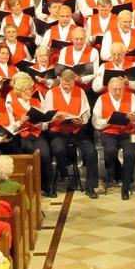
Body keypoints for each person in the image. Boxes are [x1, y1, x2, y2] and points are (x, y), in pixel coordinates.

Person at [46, 69, 99, 199]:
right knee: (58, 149)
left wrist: (82, 120)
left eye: (70, 84)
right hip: (58, 131)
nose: (68, 87)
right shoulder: (51, 93)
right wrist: (58, 116)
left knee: (92, 152)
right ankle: (64, 174)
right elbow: (47, 116)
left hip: (76, 130)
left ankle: (90, 187)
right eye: (65, 84)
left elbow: (86, 111)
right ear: (60, 80)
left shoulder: (80, 92)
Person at [6, 73, 54, 196]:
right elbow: (10, 126)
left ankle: (48, 186)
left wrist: (42, 125)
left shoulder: (36, 101)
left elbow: (45, 121)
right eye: (25, 90)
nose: (28, 91)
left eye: (29, 89)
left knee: (45, 155)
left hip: (37, 134)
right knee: (31, 155)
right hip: (22, 137)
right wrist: (20, 121)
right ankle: (32, 187)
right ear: (19, 91)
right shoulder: (11, 105)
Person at [92, 77, 135, 200]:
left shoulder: (131, 97)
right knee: (110, 151)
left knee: (130, 155)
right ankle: (117, 173)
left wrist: (134, 119)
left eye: (120, 90)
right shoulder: (101, 99)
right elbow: (95, 123)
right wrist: (107, 120)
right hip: (109, 132)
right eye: (115, 90)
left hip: (127, 132)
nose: (118, 93)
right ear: (108, 89)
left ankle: (126, 187)